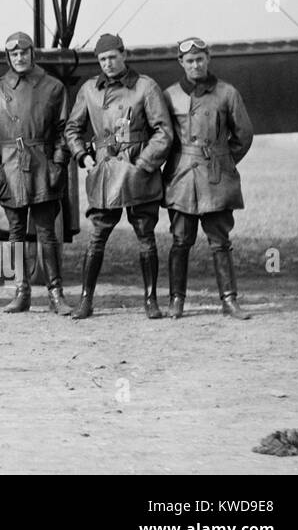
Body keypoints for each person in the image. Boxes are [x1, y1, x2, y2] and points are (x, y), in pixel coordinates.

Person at [65, 33, 173, 320]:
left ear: (124, 54)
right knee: (97, 237)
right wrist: (84, 157)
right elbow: (72, 129)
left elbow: (163, 132)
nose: (108, 63)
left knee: (145, 236)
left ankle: (151, 300)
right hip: (104, 171)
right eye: (102, 59)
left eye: (113, 56)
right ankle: (86, 300)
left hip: (139, 172)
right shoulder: (89, 89)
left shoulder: (146, 87)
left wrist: (143, 164)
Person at [0, 31, 74, 315]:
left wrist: (57, 163)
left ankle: (56, 293)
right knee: (16, 232)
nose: (19, 58)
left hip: (42, 164)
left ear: (33, 54)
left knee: (46, 232)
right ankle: (21, 291)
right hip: (9, 166)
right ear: (8, 57)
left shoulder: (53, 87)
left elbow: (64, 130)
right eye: (14, 54)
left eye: (24, 52)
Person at [161, 37, 255, 320]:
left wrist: (222, 162)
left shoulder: (227, 93)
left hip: (216, 180)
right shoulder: (169, 96)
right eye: (189, 61)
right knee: (180, 241)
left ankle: (229, 300)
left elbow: (243, 135)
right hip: (181, 179)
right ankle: (176, 301)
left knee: (220, 241)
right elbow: (162, 135)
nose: (195, 65)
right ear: (181, 63)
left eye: (200, 59)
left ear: (208, 59)